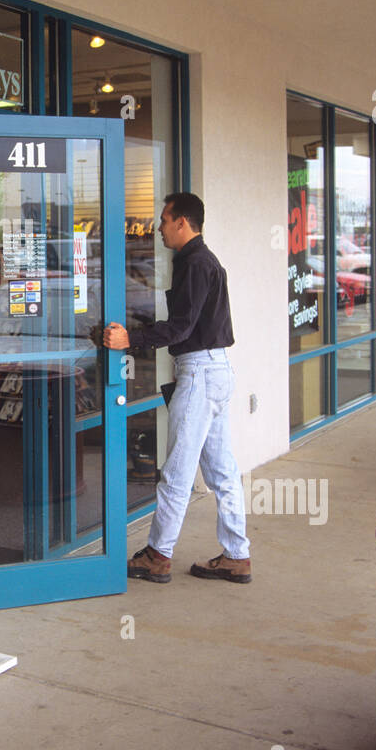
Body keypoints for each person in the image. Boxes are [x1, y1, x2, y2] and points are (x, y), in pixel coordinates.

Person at [104, 192, 251, 585]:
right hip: (215, 369)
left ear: (182, 222)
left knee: (176, 471)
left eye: (165, 219)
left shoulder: (196, 264)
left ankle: (158, 555)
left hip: (201, 372)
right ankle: (237, 555)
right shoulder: (203, 261)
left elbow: (182, 326)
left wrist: (129, 339)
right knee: (223, 472)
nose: (159, 227)